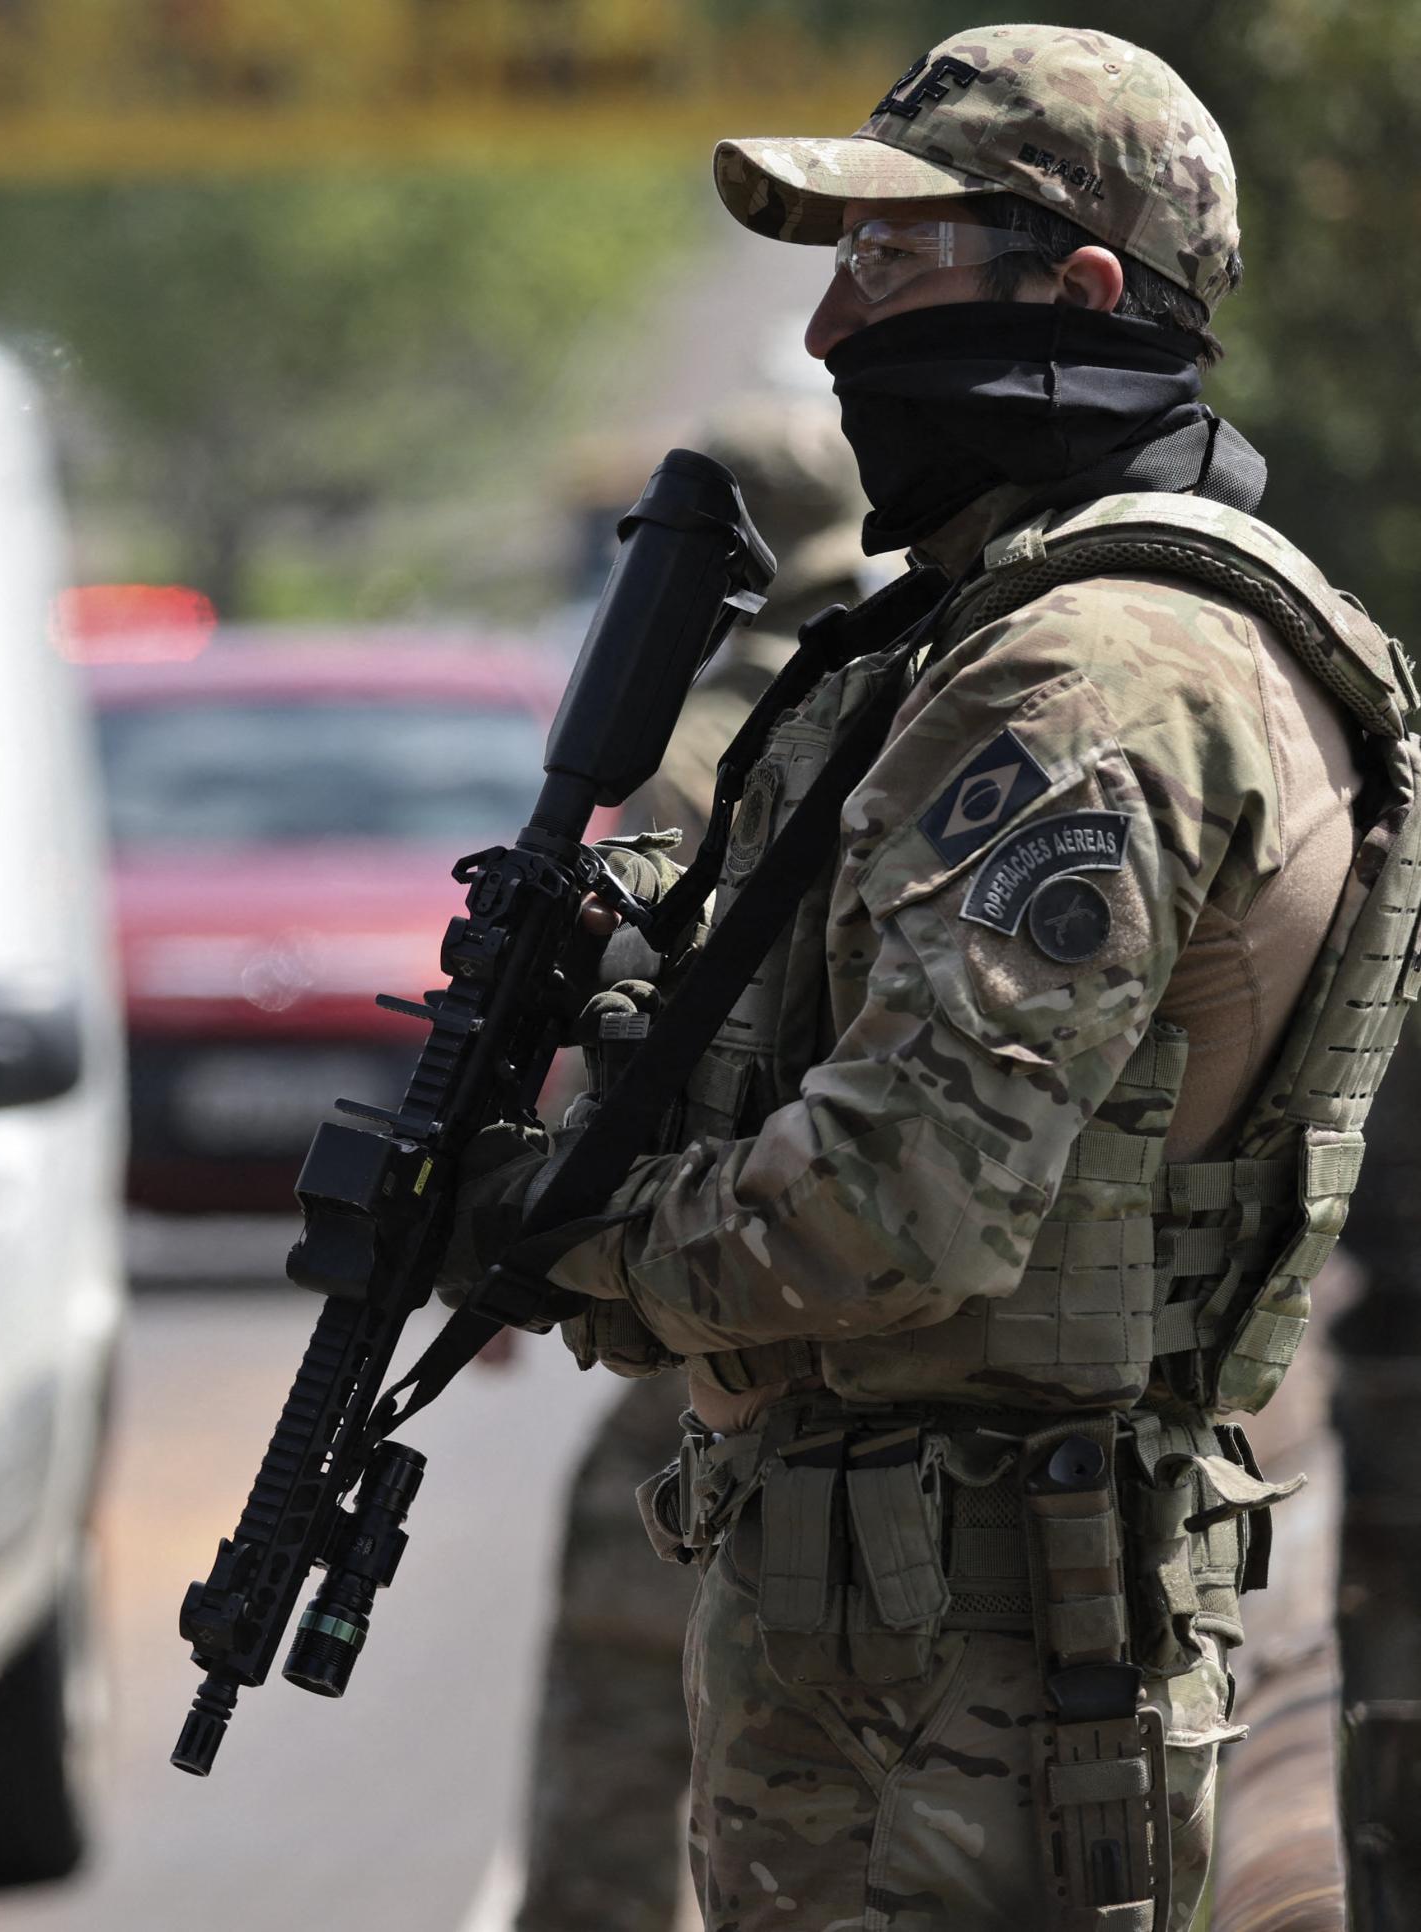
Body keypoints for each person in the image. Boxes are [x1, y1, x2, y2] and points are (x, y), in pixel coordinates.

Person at [456, 26, 1421, 1928]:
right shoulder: (1012, 631)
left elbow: (898, 1205)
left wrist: (552, 1230)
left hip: (967, 1691)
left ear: (1080, 295)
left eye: (888, 268)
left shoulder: (1095, 679)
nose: (828, 336)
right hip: (914, 1647)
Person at [515, 397, 868, 1932]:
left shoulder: (709, 736)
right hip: (872, 1263)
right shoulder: (930, 676)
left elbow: (620, 1017)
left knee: (622, 1661)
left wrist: (539, 1221)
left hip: (716, 1260)